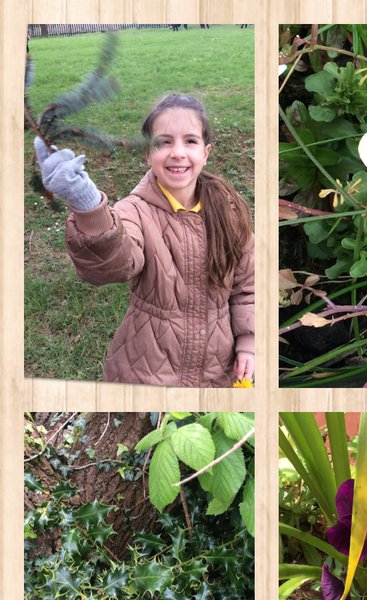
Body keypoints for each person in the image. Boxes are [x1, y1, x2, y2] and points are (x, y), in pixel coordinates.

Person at [34, 93, 254, 386]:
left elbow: (247, 284)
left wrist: (249, 342)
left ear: (206, 152)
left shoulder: (229, 210)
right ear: (148, 154)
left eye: (190, 141)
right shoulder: (134, 211)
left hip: (218, 371)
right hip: (147, 372)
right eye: (164, 142)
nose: (177, 152)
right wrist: (86, 203)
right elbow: (111, 265)